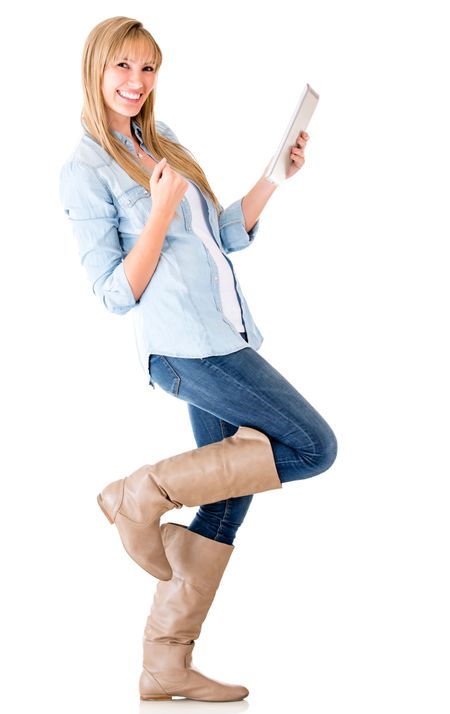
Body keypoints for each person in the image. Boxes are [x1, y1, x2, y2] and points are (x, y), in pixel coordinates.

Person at [59, 15, 338, 703]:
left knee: (223, 507)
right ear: (96, 70)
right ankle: (139, 493)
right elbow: (114, 293)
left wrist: (274, 179)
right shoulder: (83, 169)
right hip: (185, 351)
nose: (135, 81)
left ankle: (165, 666)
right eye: (122, 66)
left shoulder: (164, 140)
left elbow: (219, 237)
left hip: (225, 336)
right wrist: (155, 212)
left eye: (148, 68)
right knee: (313, 445)